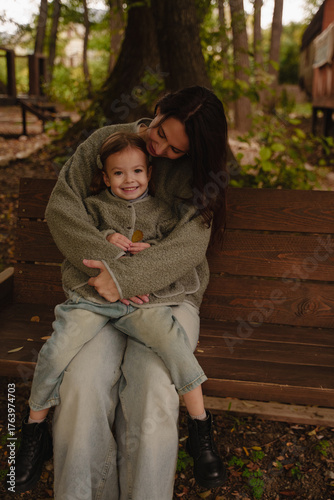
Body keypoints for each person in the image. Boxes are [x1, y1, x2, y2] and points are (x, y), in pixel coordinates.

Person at [15, 86, 229, 499]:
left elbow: (189, 245)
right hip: (96, 292)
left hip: (168, 297)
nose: (161, 148)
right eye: (162, 133)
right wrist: (111, 271)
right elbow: (63, 207)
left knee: (152, 386)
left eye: (175, 150)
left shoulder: (202, 171)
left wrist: (129, 279)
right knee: (80, 383)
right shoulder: (106, 143)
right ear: (158, 108)